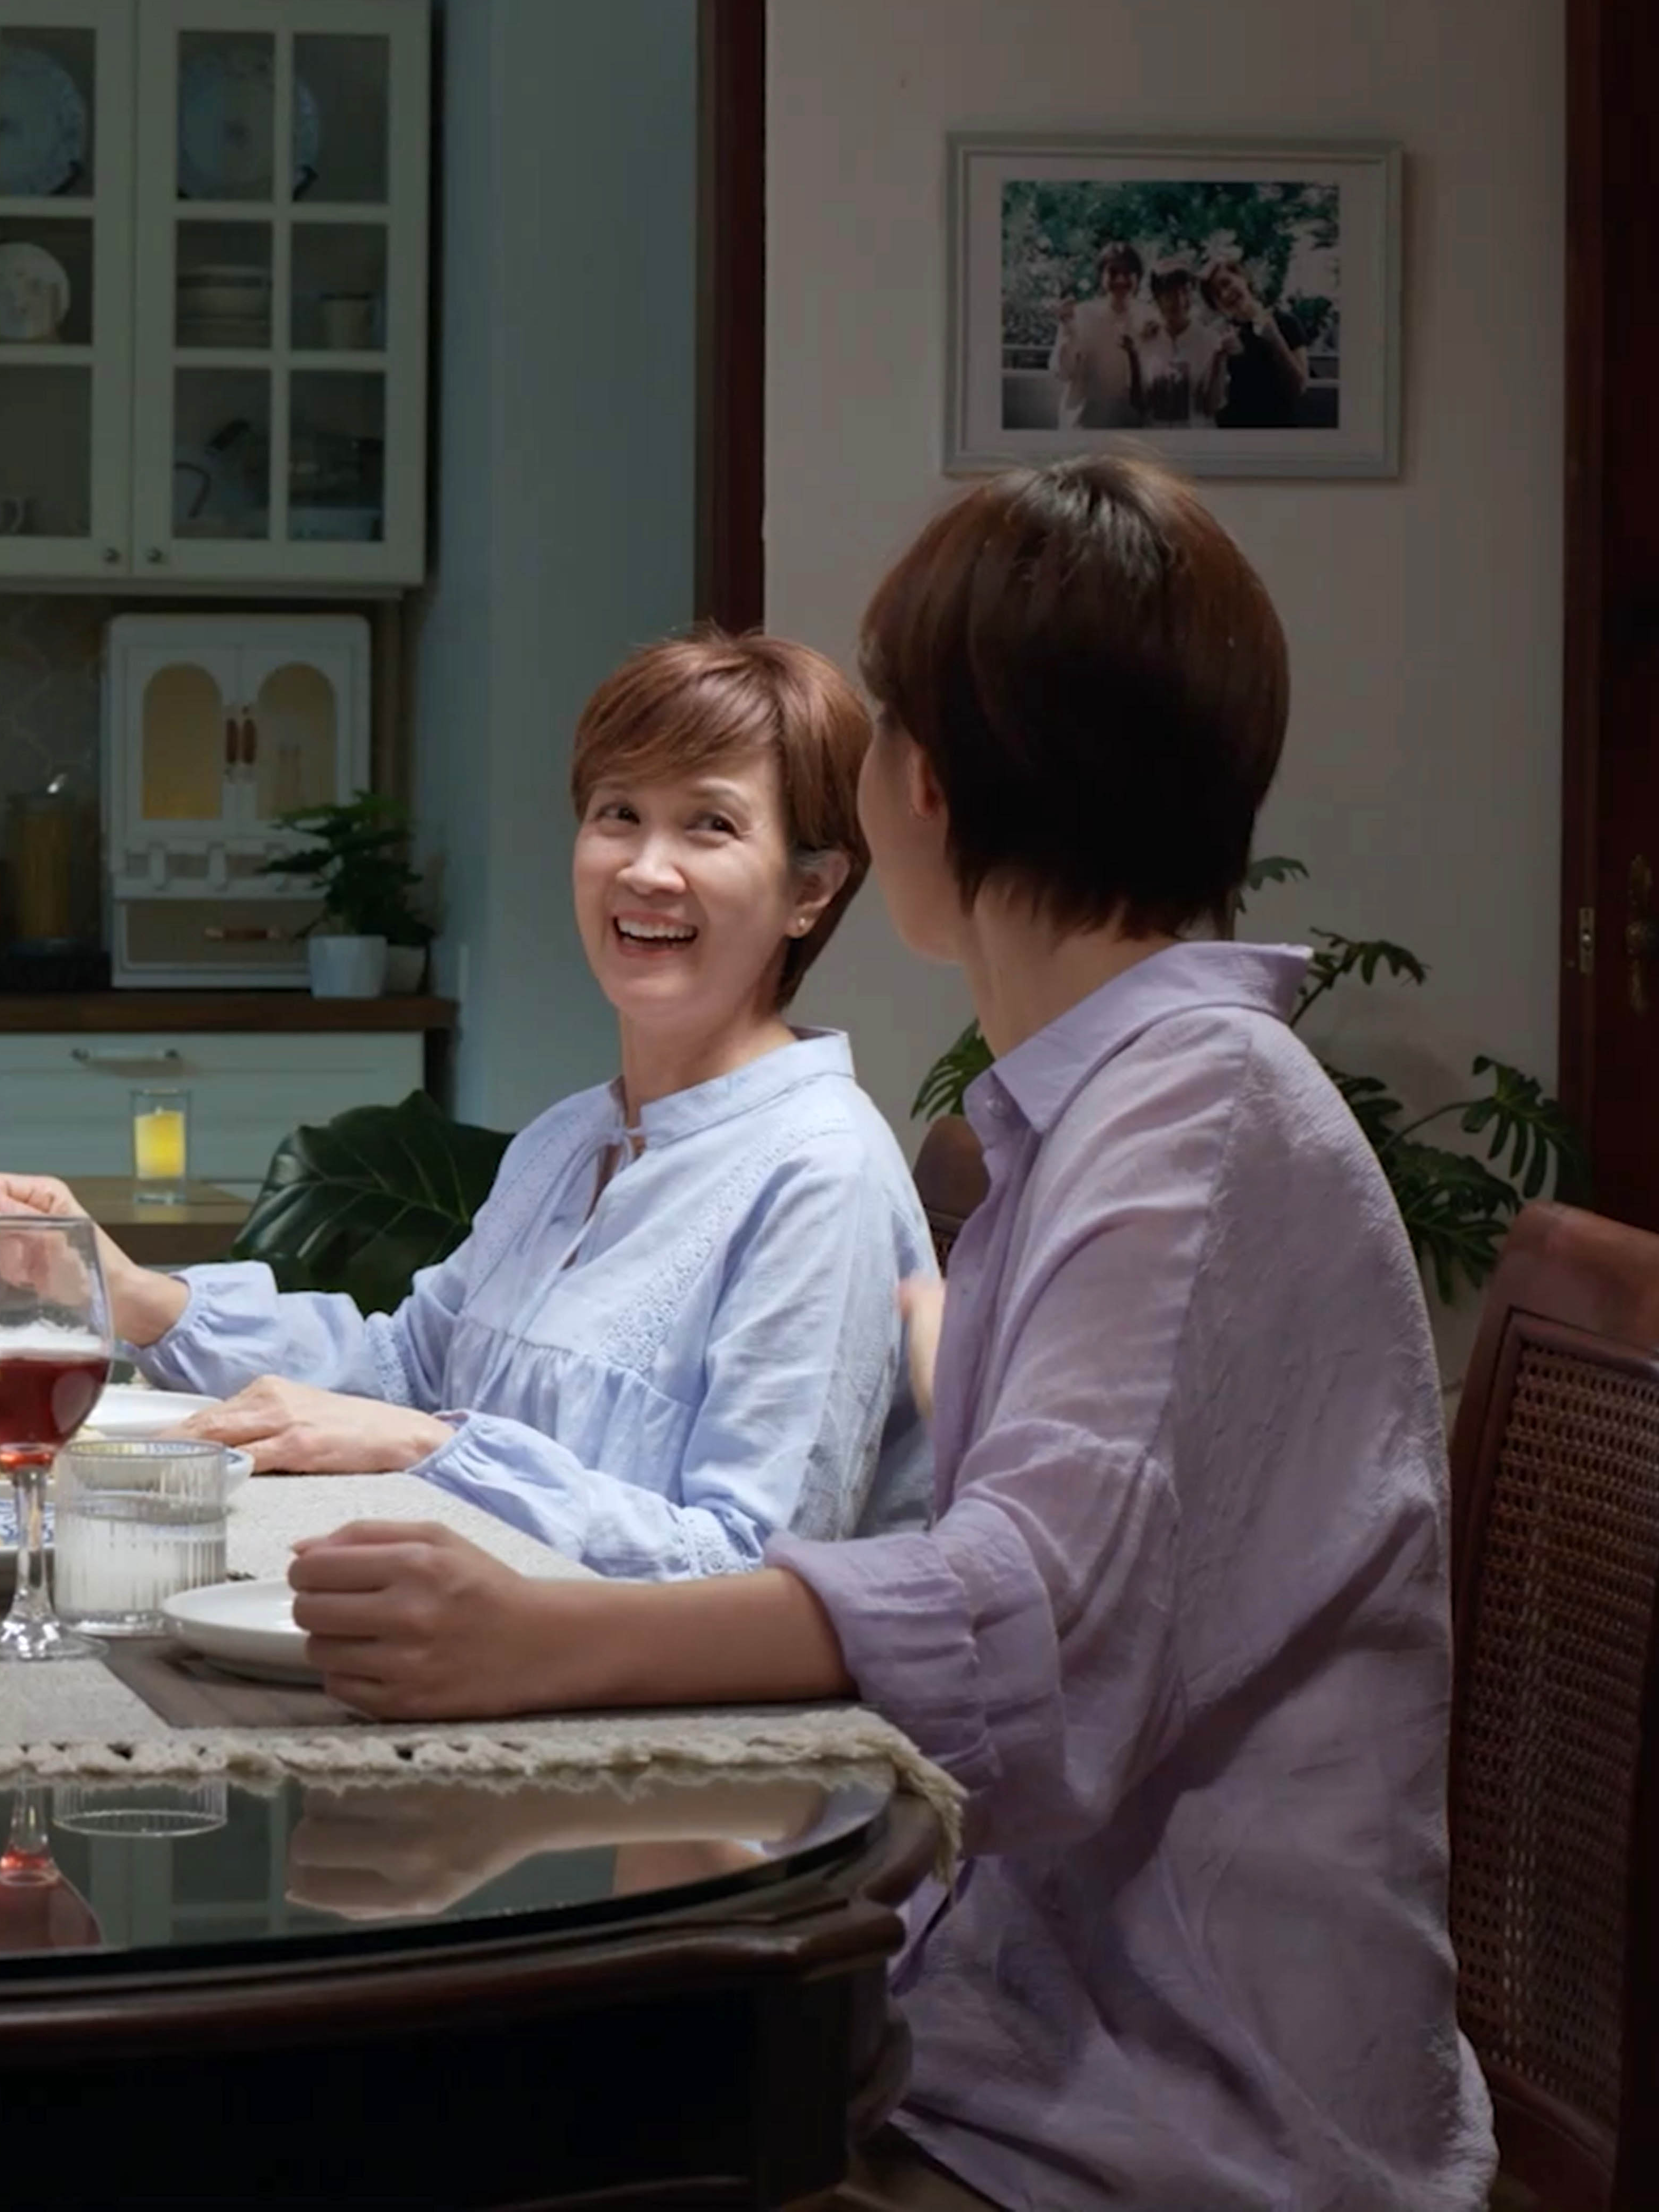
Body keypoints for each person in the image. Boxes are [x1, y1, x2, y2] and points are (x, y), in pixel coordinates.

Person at [283, 454, 1488, 2210]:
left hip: (1170, 2117)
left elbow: (1026, 1614)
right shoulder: (1114, 1107)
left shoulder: (1200, 1117)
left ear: (923, 786)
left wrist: (540, 1640)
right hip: (1008, 2018)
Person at [0, 628, 929, 1582]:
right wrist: (135, 1296)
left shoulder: (820, 1174)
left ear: (811, 889)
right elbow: (410, 1369)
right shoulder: (573, 1140)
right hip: (482, 1646)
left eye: (710, 825)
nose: (647, 869)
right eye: (619, 813)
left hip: (651, 1682)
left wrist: (429, 1448)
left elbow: (752, 1571)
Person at [1049, 241, 1149, 429]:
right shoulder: (1080, 315)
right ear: (1101, 277)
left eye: (1128, 273)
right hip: (1084, 427)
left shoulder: (1149, 318)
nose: (1121, 280)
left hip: (1131, 431)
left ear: (1138, 277)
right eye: (1113, 273)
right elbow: (1062, 372)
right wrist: (1067, 328)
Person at [1205, 256, 1311, 429]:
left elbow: (1300, 387)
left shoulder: (1287, 322)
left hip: (1280, 430)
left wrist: (1274, 338)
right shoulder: (1223, 335)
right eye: (1217, 295)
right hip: (1236, 432)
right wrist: (1220, 357)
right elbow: (1212, 404)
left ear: (1243, 278)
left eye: (1227, 283)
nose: (1225, 294)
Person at [1132, 252, 1224, 428]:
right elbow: (1140, 403)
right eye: (1170, 294)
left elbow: (1212, 406)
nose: (1180, 301)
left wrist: (1220, 358)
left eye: (1185, 292)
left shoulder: (1210, 340)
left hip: (1197, 438)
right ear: (1157, 298)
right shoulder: (1146, 339)